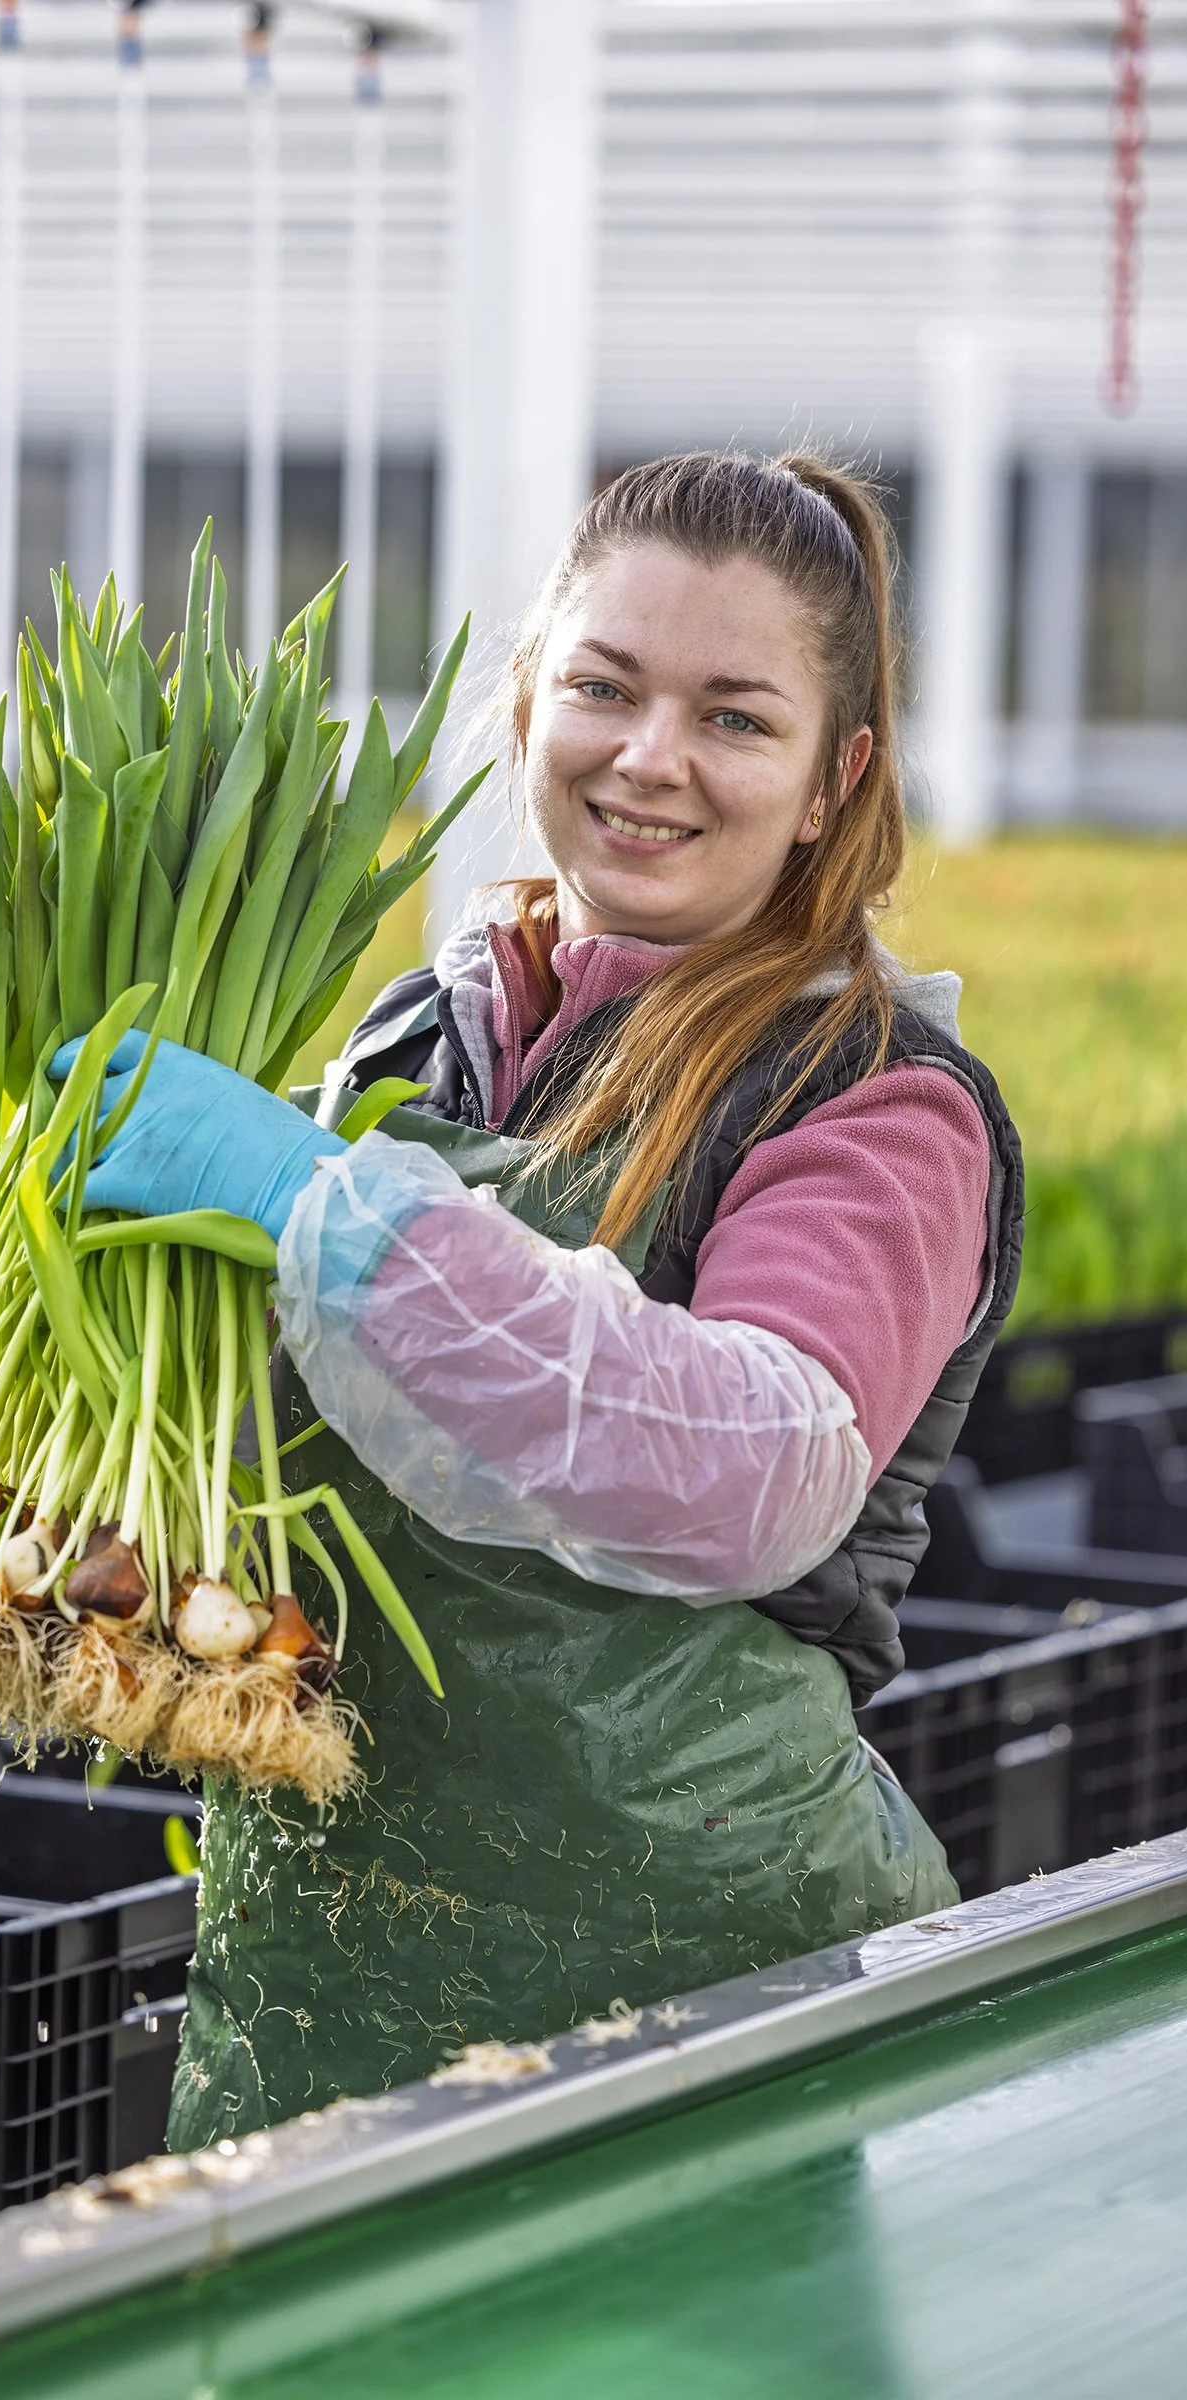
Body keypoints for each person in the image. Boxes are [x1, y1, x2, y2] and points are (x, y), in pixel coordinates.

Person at [76, 450, 1023, 2147]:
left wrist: (319, 1206)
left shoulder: (874, 1100)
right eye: (604, 686)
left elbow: (750, 1469)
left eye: (737, 717)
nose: (650, 759)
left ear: (834, 777)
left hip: (708, 2015)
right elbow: (298, 1454)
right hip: (319, 2002)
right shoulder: (410, 1039)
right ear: (527, 698)